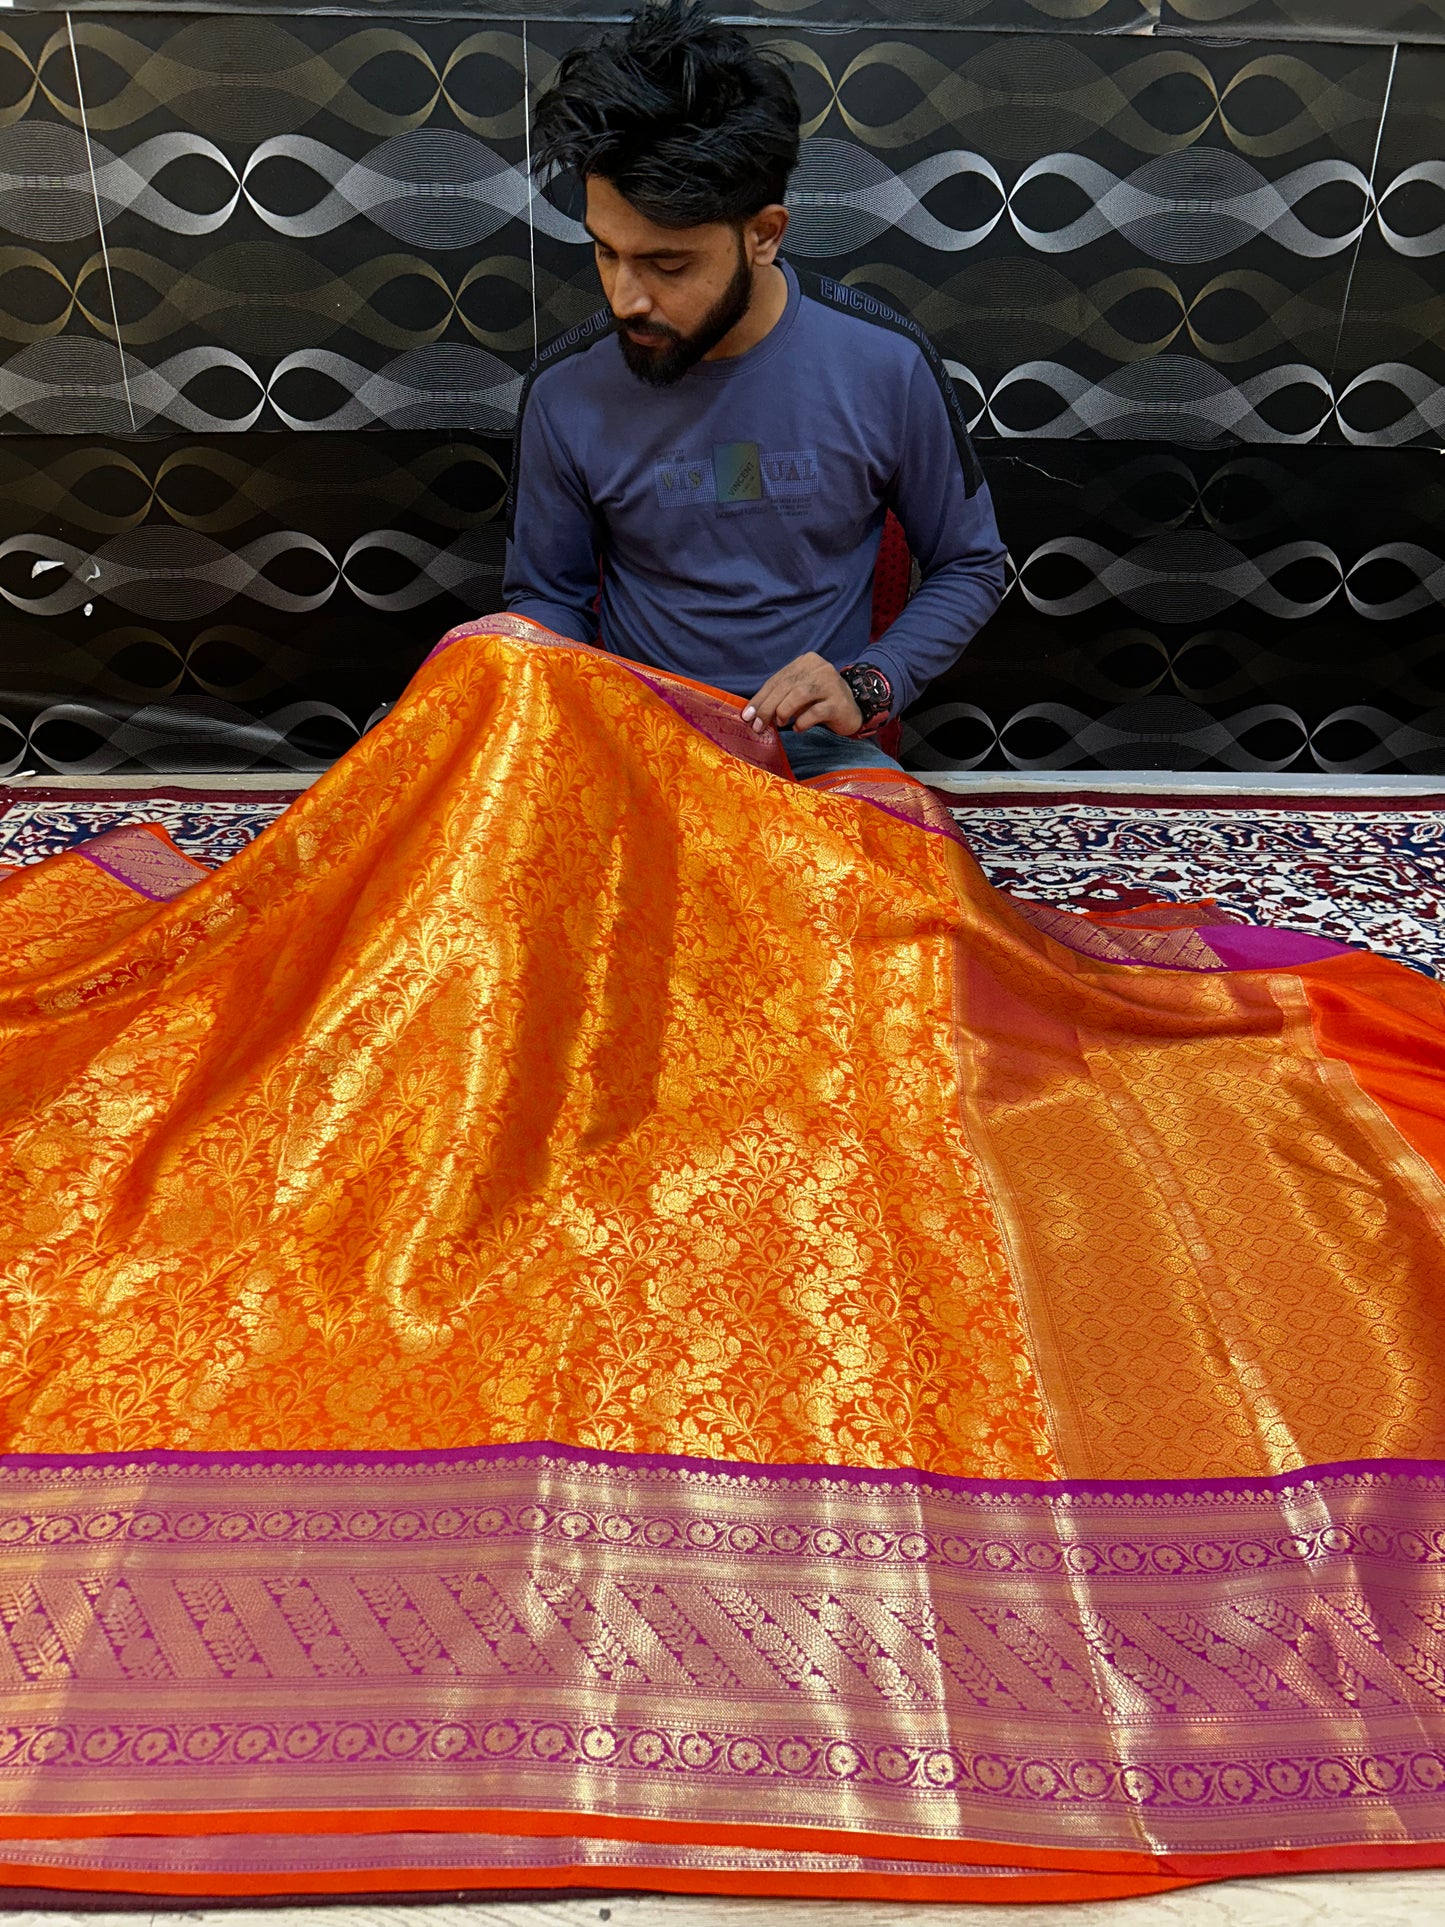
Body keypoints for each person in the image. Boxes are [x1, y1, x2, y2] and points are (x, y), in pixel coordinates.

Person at [502, 0, 1008, 781]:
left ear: (764, 234)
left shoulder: (883, 364)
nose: (625, 298)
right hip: (640, 751)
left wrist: (867, 685)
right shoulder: (565, 390)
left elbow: (970, 563)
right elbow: (547, 598)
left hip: (816, 760)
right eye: (605, 252)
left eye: (667, 264)